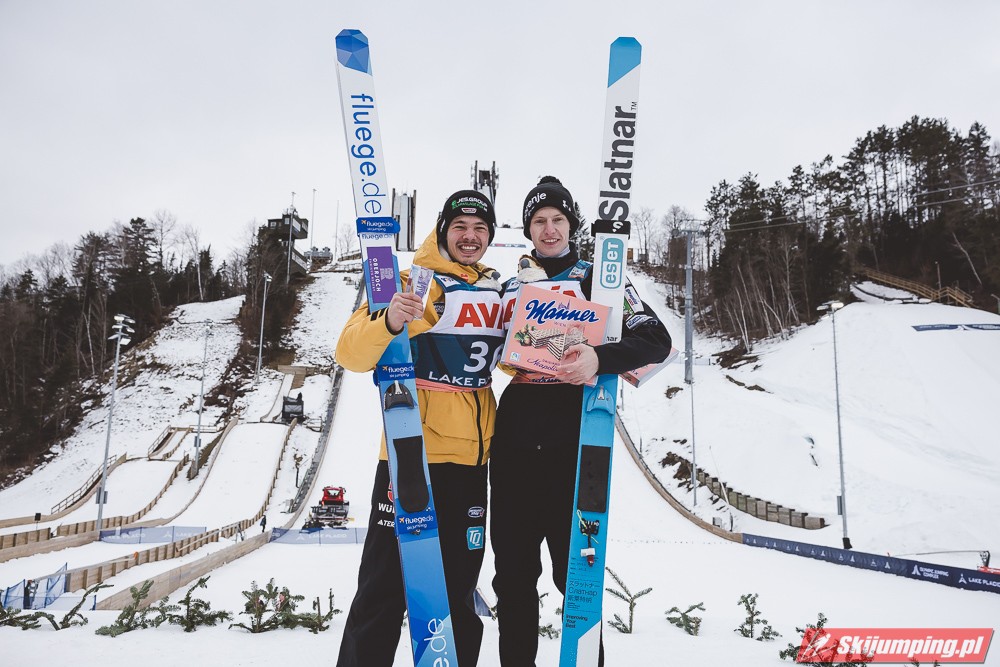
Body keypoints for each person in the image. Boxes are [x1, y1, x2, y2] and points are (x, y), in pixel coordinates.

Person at [490, 176, 673, 666]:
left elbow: (656, 341)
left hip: (573, 440)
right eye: (538, 221)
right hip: (515, 438)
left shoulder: (600, 279)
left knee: (575, 577)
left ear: (572, 225)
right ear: (528, 229)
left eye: (558, 219)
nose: (549, 229)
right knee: (512, 577)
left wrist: (599, 358)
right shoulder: (513, 284)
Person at [335, 189, 504, 667]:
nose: (470, 237)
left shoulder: (496, 291)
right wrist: (390, 320)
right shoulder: (410, 282)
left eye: (480, 229)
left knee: (458, 593)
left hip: (471, 464)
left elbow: (517, 357)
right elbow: (349, 352)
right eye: (460, 227)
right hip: (411, 457)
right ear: (442, 231)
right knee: (383, 589)